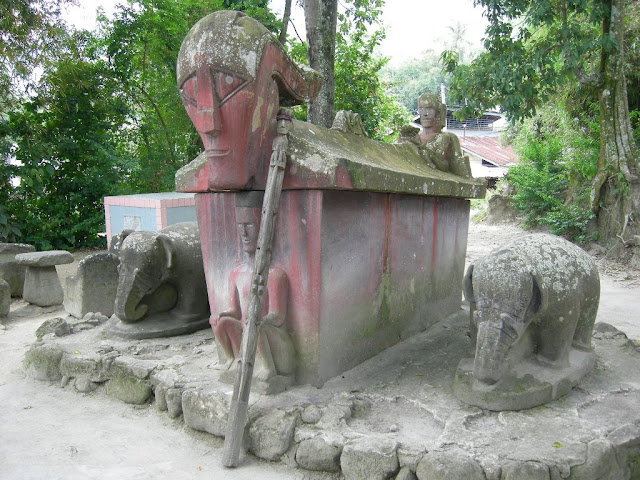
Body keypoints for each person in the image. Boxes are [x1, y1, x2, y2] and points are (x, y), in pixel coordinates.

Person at [211, 194, 295, 380]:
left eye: (249, 225)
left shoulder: (275, 275)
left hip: (271, 337)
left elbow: (278, 316)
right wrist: (222, 315)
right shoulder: (236, 274)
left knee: (253, 323)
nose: (244, 232)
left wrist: (258, 320)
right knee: (221, 322)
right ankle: (235, 359)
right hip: (248, 330)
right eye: (240, 226)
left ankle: (267, 367)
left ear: (263, 228)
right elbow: (234, 311)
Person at [415, 93, 472, 178]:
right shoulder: (413, 137)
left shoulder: (448, 137)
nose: (424, 113)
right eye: (421, 109)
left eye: (429, 109)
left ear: (438, 112)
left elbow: (457, 166)